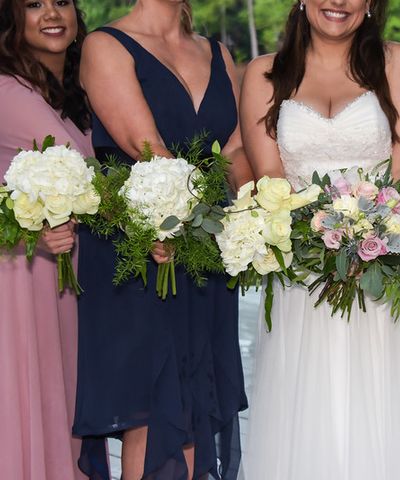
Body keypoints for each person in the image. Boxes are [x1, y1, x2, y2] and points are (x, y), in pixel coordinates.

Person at [239, 1, 400, 479]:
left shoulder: (396, 63)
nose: (338, 3)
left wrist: (370, 236)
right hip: (303, 277)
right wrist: (321, 242)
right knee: (310, 404)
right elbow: (269, 178)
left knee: (391, 406)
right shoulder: (264, 73)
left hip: (385, 264)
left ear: (370, 5)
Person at [72, 1, 253, 478]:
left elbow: (235, 147)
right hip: (138, 245)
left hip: (204, 246)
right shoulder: (105, 45)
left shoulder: (218, 52)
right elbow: (145, 148)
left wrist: (262, 208)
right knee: (151, 410)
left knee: (197, 399)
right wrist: (178, 218)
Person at [0, 0, 92, 479]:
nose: (51, 13)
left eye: (61, 1)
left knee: (60, 398)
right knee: (29, 403)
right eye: (33, 4)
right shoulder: (7, 90)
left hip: (60, 275)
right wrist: (28, 234)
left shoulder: (67, 93)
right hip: (20, 274)